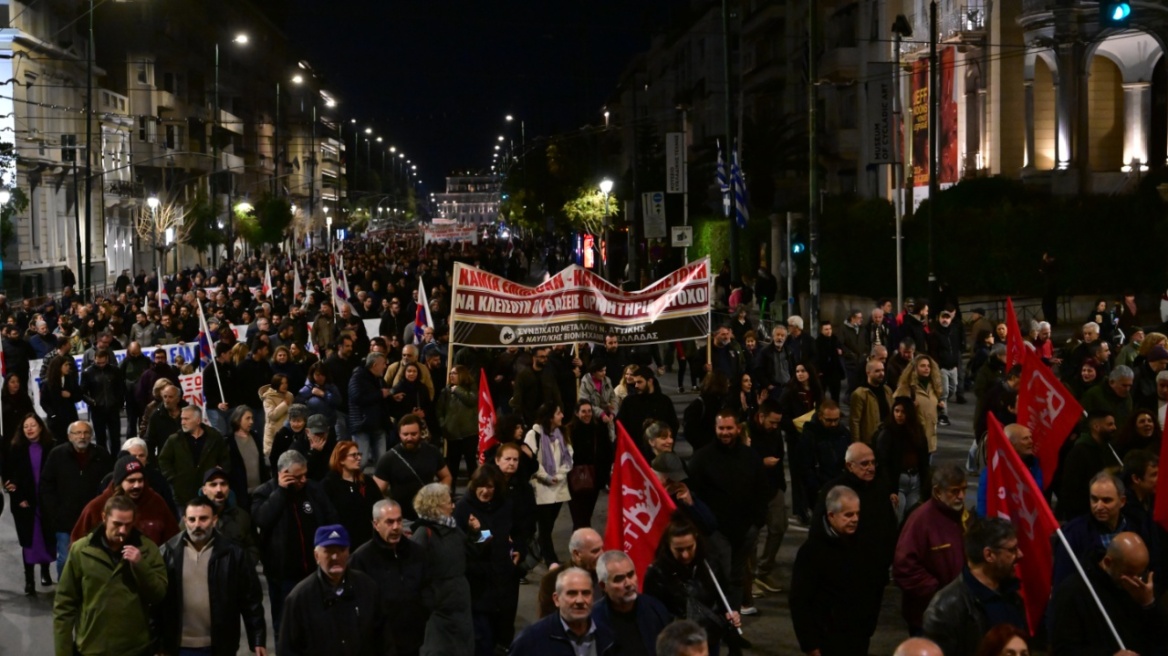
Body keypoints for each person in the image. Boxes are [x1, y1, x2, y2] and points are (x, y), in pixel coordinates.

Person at [52, 495, 168, 656]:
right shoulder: (81, 550)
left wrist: (140, 566)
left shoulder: (147, 549)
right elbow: (64, 605)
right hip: (91, 648)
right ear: (104, 517)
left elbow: (158, 595)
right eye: (117, 524)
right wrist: (63, 652)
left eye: (128, 525)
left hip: (135, 649)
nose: (122, 531)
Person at [157, 497, 267, 656]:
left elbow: (250, 599)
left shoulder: (233, 554)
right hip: (178, 645)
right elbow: (157, 603)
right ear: (184, 521)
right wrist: (158, 644)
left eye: (203, 519)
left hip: (219, 645)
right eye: (192, 519)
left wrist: (257, 638)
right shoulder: (167, 552)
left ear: (214, 520)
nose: (197, 525)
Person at [250, 449, 340, 634]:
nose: (303, 480)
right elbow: (262, 519)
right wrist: (281, 492)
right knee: (285, 626)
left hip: (315, 572)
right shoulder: (265, 493)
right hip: (283, 575)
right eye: (297, 477)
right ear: (283, 475)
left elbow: (332, 518)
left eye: (305, 475)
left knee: (318, 623)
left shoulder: (314, 490)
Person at [687, 410, 767, 615]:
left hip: (746, 530)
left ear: (738, 429)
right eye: (721, 428)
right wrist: (704, 527)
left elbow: (761, 490)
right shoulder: (702, 458)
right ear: (715, 429)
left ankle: (732, 622)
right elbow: (693, 495)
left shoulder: (751, 456)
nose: (725, 432)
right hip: (715, 531)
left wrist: (757, 523)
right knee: (719, 576)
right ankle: (717, 621)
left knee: (737, 577)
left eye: (729, 428)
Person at [791, 485, 884, 656]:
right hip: (826, 639)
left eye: (857, 513)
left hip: (858, 636)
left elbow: (873, 586)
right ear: (831, 515)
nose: (855, 519)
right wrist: (810, 645)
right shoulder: (812, 551)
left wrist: (868, 626)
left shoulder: (864, 545)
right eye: (848, 515)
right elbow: (800, 602)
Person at [278, 524, 392, 655]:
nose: (335, 557)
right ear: (316, 556)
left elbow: (384, 640)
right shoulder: (299, 598)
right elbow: (288, 650)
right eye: (328, 551)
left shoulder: (368, 588)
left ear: (348, 552)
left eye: (341, 550)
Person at [922, 518, 1028, 656]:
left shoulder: (1012, 596)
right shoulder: (945, 608)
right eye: (1012, 550)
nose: (1020, 555)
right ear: (989, 555)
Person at [1050, 532, 1167, 655]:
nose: (1137, 580)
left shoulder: (1139, 588)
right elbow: (1063, 650)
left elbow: (1161, 637)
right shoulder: (1074, 590)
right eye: (1131, 573)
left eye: (1141, 573)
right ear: (1108, 562)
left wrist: (1149, 604)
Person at [644, 519, 744, 656]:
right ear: (668, 545)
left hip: (708, 638)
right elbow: (652, 615)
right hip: (676, 644)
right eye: (679, 550)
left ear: (696, 541)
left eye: (689, 548)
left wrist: (730, 613)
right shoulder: (657, 573)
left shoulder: (710, 564)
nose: (685, 555)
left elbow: (723, 597)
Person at [893, 464, 970, 634]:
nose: (961, 496)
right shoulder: (920, 520)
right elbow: (904, 568)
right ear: (937, 492)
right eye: (955, 491)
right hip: (929, 617)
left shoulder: (965, 518)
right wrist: (938, 592)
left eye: (964, 489)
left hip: (960, 615)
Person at [454, 466, 521, 656]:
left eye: (490, 487)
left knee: (504, 634)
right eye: (481, 486)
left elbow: (519, 531)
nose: (485, 491)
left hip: (504, 577)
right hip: (478, 582)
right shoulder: (463, 508)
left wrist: (519, 550)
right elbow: (462, 545)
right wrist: (480, 534)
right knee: (482, 638)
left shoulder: (506, 504)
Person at [351, 499, 429, 656]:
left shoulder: (417, 553)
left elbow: (428, 589)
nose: (396, 527)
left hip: (415, 640)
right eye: (389, 522)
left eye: (399, 521)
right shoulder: (361, 559)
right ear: (375, 524)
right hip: (380, 643)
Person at [412, 482, 478, 656]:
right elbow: (416, 572)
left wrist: (475, 533)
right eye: (449, 502)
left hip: (460, 603)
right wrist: (431, 599)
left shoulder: (453, 528)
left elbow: (470, 551)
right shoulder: (423, 533)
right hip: (439, 609)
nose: (453, 506)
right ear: (436, 505)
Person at [40, 421, 113, 576]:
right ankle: (65, 596)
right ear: (69, 436)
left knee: (95, 559)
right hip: (65, 521)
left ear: (91, 435)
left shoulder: (101, 455)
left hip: (95, 520)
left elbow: (110, 486)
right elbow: (46, 486)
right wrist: (55, 513)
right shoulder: (56, 455)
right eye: (77, 433)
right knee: (66, 560)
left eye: (86, 433)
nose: (82, 436)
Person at [71, 454, 180, 547]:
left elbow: (174, 539)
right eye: (131, 481)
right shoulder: (97, 507)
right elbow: (77, 544)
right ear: (119, 482)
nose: (137, 485)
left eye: (140, 480)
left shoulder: (156, 502)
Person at [3, 413, 57, 594]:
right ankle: (29, 580)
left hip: (46, 501)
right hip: (24, 503)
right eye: (26, 426)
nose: (29, 429)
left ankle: (45, 571)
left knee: (46, 538)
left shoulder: (51, 447)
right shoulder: (16, 449)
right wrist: (19, 498)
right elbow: (9, 479)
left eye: (33, 425)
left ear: (40, 427)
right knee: (29, 541)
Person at [510, 567, 618, 656]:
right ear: (556, 599)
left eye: (585, 593)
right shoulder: (530, 640)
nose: (580, 600)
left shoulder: (608, 635)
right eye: (572, 593)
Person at [591, 550, 673, 656]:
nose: (629, 583)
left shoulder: (655, 608)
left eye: (631, 575)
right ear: (603, 586)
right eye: (619, 579)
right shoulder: (594, 621)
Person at [373, 413, 452, 520]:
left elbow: (446, 476)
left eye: (413, 434)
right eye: (405, 434)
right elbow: (375, 491)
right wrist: (389, 510)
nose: (409, 438)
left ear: (421, 433)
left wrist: (438, 495)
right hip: (402, 518)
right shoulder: (388, 458)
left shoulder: (432, 452)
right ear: (399, 434)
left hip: (429, 514)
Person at [524, 402, 573, 566]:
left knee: (549, 525)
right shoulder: (533, 434)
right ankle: (550, 560)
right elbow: (530, 460)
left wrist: (559, 475)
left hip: (559, 488)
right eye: (559, 413)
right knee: (544, 527)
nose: (562, 416)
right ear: (550, 416)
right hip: (542, 488)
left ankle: (537, 552)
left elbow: (569, 457)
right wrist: (546, 477)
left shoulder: (562, 433)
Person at [748, 399, 787, 593]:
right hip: (753, 491)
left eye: (777, 423)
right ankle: (751, 576)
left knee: (779, 527)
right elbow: (742, 459)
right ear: (761, 416)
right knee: (752, 536)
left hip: (773, 487)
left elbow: (779, 453)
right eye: (772, 422)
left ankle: (764, 570)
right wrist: (761, 462)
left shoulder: (775, 431)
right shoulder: (746, 431)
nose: (775, 426)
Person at [158, 405, 231, 506]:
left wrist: (220, 472)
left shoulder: (214, 437)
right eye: (182, 419)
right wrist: (173, 478)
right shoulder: (174, 439)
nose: (182, 422)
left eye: (186, 419)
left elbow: (225, 458)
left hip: (209, 494)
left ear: (198, 421)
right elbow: (163, 460)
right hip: (183, 494)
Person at [875, 397, 931, 520]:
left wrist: (926, 485)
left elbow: (924, 460)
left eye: (903, 412)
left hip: (915, 480)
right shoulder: (887, 433)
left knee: (913, 517)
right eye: (896, 411)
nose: (899, 415)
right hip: (897, 481)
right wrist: (890, 490)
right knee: (897, 518)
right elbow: (883, 463)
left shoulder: (918, 432)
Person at [1058, 412, 1122, 521]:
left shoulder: (1107, 449)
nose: (1114, 428)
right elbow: (1070, 490)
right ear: (1096, 427)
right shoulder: (1079, 452)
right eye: (1109, 424)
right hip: (1083, 516)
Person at [537, 527, 605, 618]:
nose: (602, 554)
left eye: (601, 548)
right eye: (595, 551)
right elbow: (547, 621)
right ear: (577, 554)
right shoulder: (552, 580)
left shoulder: (607, 573)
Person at [566, 399, 612, 531]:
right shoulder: (569, 431)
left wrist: (604, 476)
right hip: (573, 480)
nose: (587, 414)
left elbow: (607, 452)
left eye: (589, 411)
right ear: (576, 413)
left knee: (586, 515)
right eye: (583, 411)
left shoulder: (599, 429)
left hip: (594, 479)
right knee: (578, 517)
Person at [323, 440, 378, 548]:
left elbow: (378, 506)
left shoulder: (366, 481)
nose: (359, 458)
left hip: (369, 541)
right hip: (344, 542)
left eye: (359, 454)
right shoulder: (328, 485)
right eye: (354, 455)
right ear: (341, 460)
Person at [978, 423, 1042, 517]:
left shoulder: (1034, 465)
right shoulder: (992, 473)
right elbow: (983, 505)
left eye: (1030, 437)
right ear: (1011, 444)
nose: (1031, 441)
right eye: (1025, 438)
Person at [199, 466, 260, 564]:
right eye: (213, 485)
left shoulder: (241, 516)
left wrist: (244, 567)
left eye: (223, 484)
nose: (219, 489)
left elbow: (252, 546)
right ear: (204, 490)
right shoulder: (193, 516)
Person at [437, 365, 479, 486]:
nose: (451, 376)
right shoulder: (445, 391)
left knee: (471, 463)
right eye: (450, 373)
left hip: (469, 433)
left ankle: (475, 488)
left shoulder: (471, 388)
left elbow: (472, 400)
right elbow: (439, 410)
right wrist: (443, 425)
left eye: (454, 373)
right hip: (452, 433)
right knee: (452, 465)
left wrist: (457, 390)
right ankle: (450, 491)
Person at [895, 353, 944, 456]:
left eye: (928, 366)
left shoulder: (933, 387)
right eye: (922, 366)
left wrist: (938, 408)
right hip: (912, 439)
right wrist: (907, 406)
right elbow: (895, 409)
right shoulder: (906, 388)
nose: (926, 368)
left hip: (929, 438)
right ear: (914, 368)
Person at [349, 352, 392, 464]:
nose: (385, 366)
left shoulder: (380, 379)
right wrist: (379, 394)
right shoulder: (357, 377)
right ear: (374, 365)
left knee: (382, 463)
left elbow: (383, 395)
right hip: (362, 425)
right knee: (360, 462)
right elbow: (356, 398)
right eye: (383, 363)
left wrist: (391, 396)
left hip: (379, 425)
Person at [79, 348, 125, 452]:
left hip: (113, 408)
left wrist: (119, 402)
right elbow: (82, 392)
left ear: (107, 359)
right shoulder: (88, 373)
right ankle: (103, 460)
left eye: (103, 362)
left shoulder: (115, 371)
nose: (101, 365)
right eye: (98, 362)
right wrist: (92, 402)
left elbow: (121, 388)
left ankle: (115, 459)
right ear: (94, 359)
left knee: (115, 437)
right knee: (100, 438)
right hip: (97, 409)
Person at [850, 359, 893, 444]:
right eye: (877, 371)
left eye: (882, 370)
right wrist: (856, 444)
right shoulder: (860, 394)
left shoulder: (887, 390)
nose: (881, 374)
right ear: (868, 372)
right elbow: (855, 421)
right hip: (870, 440)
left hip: (888, 437)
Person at [291, 413, 337, 481]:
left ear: (328, 431)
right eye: (316, 434)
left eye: (322, 433)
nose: (319, 437)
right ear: (307, 432)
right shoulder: (297, 447)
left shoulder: (333, 445)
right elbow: (298, 473)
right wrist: (314, 453)